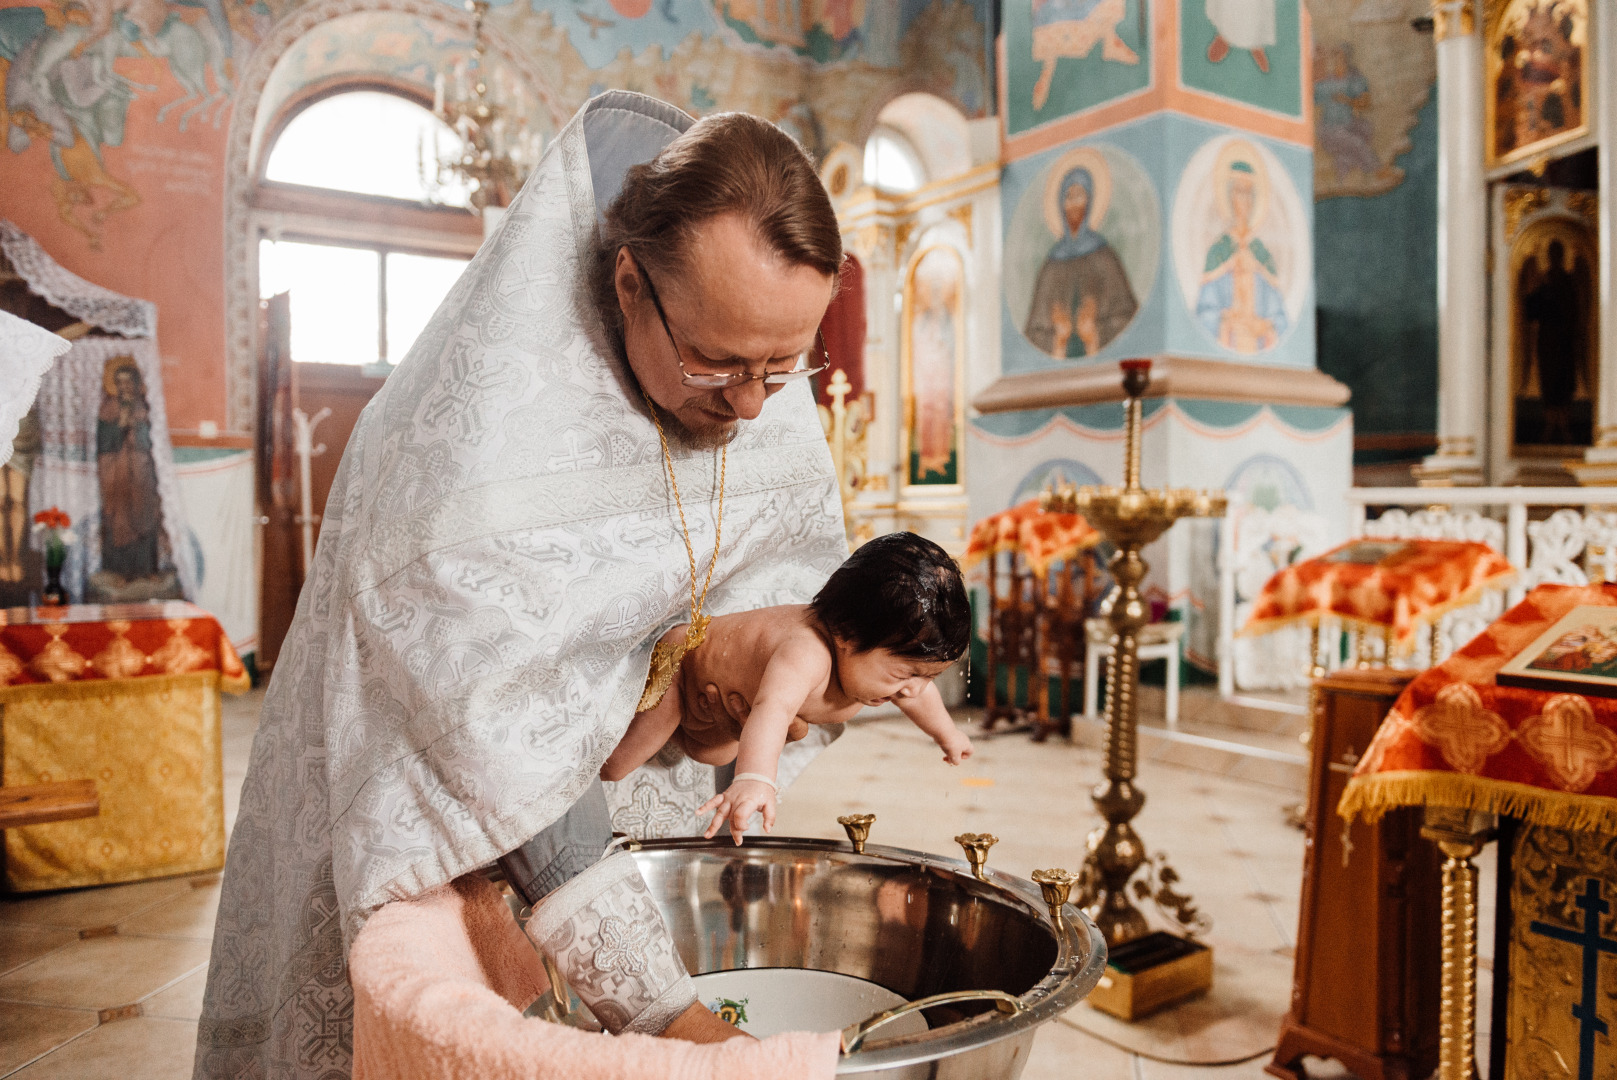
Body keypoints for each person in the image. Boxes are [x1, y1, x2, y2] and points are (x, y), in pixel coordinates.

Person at [196, 92, 853, 1079]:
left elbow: (782, 582)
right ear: (631, 284)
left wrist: (757, 680)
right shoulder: (460, 459)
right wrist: (665, 1013)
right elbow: (499, 745)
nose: (755, 406)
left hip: (635, 845)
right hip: (474, 854)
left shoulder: (747, 382)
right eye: (717, 364)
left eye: (785, 366)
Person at [603, 532, 973, 843]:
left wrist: (947, 733)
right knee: (617, 765)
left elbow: (919, 694)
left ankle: (684, 735)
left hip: (719, 709)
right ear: (846, 633)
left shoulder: (887, 669)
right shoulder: (807, 654)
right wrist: (754, 779)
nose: (911, 691)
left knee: (714, 753)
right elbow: (773, 711)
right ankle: (576, 759)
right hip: (684, 667)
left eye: (927, 676)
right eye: (904, 674)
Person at [1025, 165, 1138, 359]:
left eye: (1079, 196)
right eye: (1068, 197)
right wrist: (1058, 338)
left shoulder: (1105, 258)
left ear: (1090, 200)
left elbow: (1128, 319)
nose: (1073, 205)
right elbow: (1034, 332)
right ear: (1061, 204)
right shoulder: (1052, 265)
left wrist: (1094, 332)